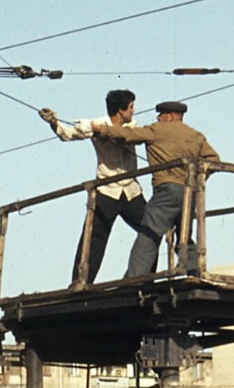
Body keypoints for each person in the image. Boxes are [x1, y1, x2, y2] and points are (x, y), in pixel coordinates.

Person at [90, 100, 219, 278]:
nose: (158, 117)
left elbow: (129, 134)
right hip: (191, 193)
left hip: (166, 190)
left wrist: (101, 129)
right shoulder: (196, 135)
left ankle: (134, 279)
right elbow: (214, 160)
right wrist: (197, 178)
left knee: (148, 234)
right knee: (184, 236)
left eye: (161, 114)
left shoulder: (158, 129)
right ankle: (194, 272)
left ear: (171, 116)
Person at [38, 89, 146, 283]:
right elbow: (68, 134)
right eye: (131, 107)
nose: (134, 110)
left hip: (131, 191)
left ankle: (145, 277)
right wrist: (54, 122)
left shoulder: (133, 126)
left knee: (151, 229)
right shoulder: (96, 124)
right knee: (93, 238)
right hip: (107, 189)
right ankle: (80, 282)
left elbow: (131, 135)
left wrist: (99, 130)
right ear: (120, 110)